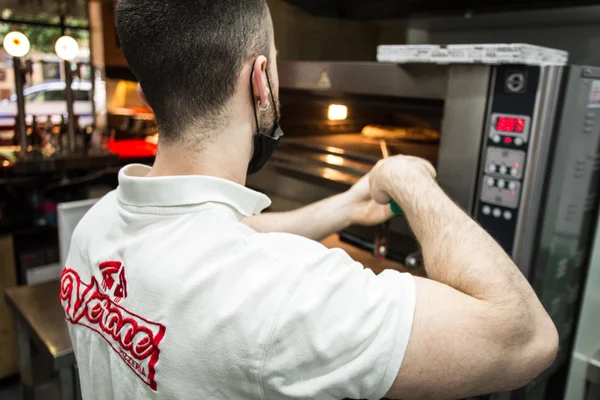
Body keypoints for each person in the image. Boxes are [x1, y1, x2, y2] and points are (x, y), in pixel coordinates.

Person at [59, 0, 558, 399]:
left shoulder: (96, 226)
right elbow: (526, 339)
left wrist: (346, 207)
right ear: (261, 81)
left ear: (146, 92)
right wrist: (410, 179)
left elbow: (216, 243)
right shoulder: (288, 297)